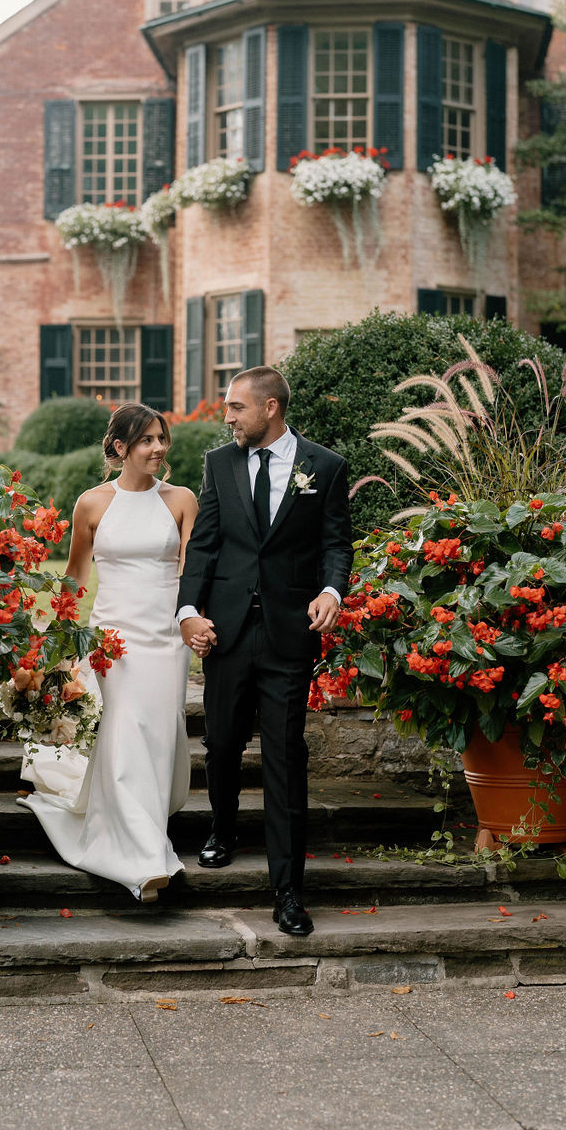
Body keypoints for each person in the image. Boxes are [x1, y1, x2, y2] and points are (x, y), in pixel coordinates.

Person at [176, 366, 352, 936]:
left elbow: (335, 543)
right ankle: (222, 830)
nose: (226, 416)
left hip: (288, 635)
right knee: (222, 742)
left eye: (235, 407)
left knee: (284, 756)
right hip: (224, 632)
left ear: (270, 408)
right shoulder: (218, 464)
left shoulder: (324, 467)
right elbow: (202, 546)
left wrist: (331, 591)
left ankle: (288, 892)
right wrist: (188, 612)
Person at [19, 403, 197, 902]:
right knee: (123, 734)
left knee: (159, 734)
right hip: (112, 639)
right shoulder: (92, 504)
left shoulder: (181, 500)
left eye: (162, 438)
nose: (158, 448)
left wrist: (193, 619)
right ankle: (143, 855)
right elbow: (76, 576)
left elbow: (194, 571)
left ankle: (146, 822)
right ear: (120, 448)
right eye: (146, 440)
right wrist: (58, 642)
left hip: (166, 636)